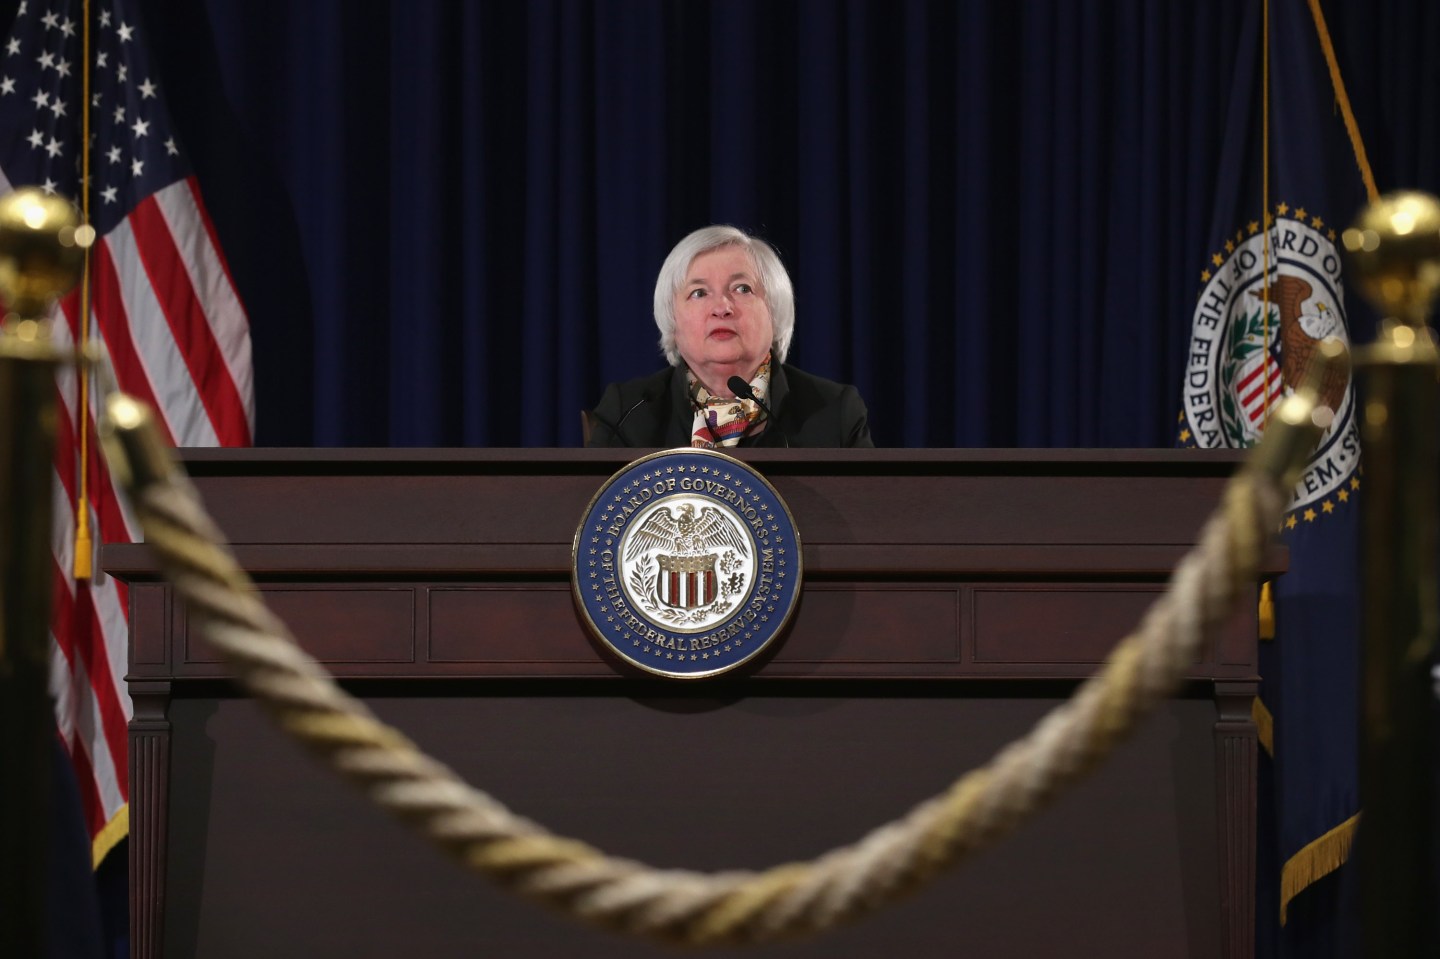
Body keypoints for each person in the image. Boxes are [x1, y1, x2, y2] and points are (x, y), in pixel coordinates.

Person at [586, 225, 874, 448]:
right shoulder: (627, 413)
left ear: (775, 311)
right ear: (672, 320)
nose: (722, 307)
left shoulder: (834, 412)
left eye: (742, 289)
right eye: (699, 293)